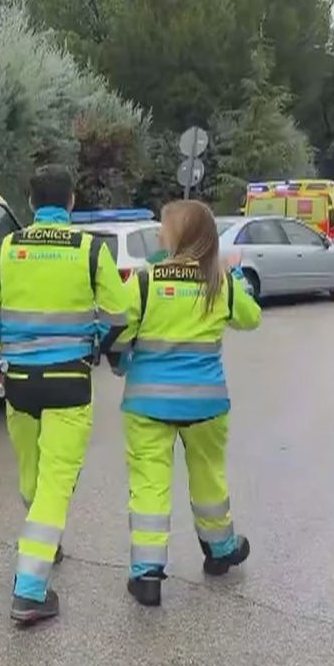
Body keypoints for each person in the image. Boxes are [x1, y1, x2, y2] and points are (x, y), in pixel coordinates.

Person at [0, 165, 131, 624]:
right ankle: (30, 590)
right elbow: (118, 317)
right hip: (68, 381)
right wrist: (94, 345)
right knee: (56, 483)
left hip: (18, 382)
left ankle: (46, 539)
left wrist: (11, 340)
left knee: (32, 475)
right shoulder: (90, 250)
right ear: (72, 201)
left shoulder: (6, 248)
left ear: (30, 202)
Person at [111, 200, 261, 607]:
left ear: (179, 235)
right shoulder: (220, 282)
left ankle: (147, 575)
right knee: (209, 478)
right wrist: (237, 276)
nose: (160, 233)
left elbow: (117, 330)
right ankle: (221, 550)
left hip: (147, 404)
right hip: (206, 404)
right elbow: (251, 318)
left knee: (149, 486)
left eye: (164, 226)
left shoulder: (145, 281)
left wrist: (121, 363)